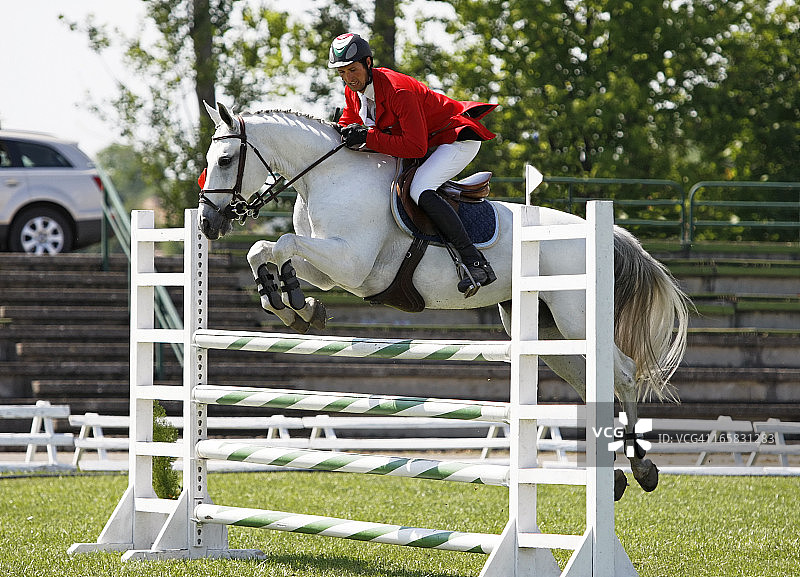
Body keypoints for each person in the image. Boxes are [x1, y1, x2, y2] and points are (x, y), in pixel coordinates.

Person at [328, 32, 497, 296]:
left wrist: (368, 136)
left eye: (353, 70)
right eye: (342, 72)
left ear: (368, 63)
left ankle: (475, 262)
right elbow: (350, 124)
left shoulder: (398, 90)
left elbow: (414, 146)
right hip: (429, 141)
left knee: (420, 188)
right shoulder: (354, 90)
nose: (349, 78)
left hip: (454, 139)